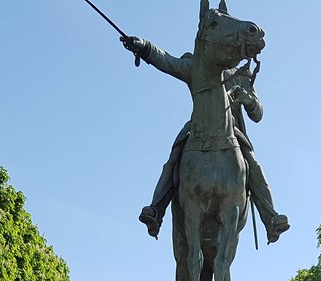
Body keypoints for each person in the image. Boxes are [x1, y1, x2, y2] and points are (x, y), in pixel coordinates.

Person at [120, 38, 289, 243]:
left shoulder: (241, 76)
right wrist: (145, 46)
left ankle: (270, 218)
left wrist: (248, 99)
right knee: (174, 157)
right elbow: (167, 61)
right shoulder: (197, 67)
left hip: (231, 132)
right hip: (198, 127)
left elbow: (258, 114)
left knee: (251, 162)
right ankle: (156, 210)